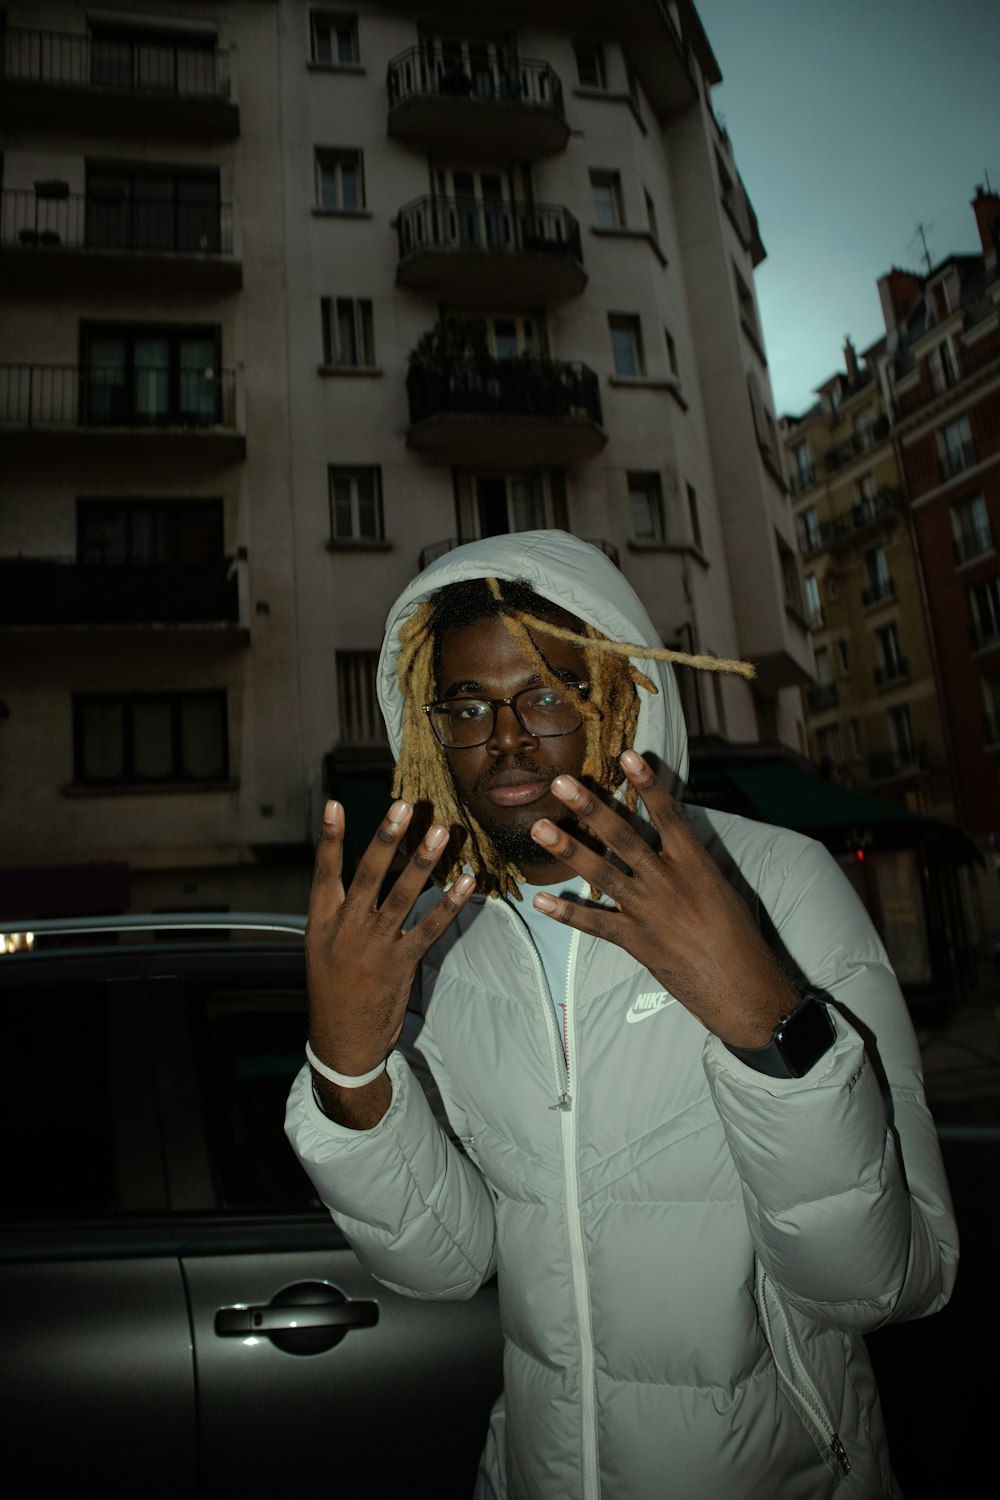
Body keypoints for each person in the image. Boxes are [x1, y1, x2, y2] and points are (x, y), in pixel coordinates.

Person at [286, 530, 957, 1499]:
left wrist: (769, 1025)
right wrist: (347, 1071)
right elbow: (444, 1264)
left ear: (626, 697)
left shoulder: (772, 884)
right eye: (468, 705)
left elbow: (881, 1284)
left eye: (549, 693)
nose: (506, 736)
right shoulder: (440, 938)